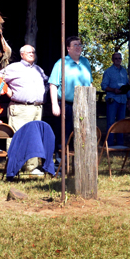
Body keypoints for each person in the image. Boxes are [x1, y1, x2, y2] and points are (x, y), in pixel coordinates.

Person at [0, 45, 48, 169]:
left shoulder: (38, 69)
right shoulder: (14, 67)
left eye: (33, 52)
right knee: (17, 137)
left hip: (37, 108)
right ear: (22, 54)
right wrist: (7, 90)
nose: (32, 53)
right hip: (21, 108)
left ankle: (31, 168)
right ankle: (14, 167)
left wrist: (44, 92)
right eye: (28, 52)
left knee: (35, 138)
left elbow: (48, 82)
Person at [49, 36, 93, 170]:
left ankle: (81, 164)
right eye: (75, 45)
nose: (78, 47)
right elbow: (53, 84)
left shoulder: (86, 62)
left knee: (83, 134)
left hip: (84, 104)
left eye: (80, 45)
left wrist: (91, 102)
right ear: (68, 48)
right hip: (67, 105)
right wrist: (55, 104)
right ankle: (61, 165)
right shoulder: (61, 63)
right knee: (65, 134)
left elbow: (89, 83)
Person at [101, 52, 129, 146]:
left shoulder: (124, 71)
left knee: (121, 122)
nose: (118, 60)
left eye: (119, 58)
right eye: (116, 58)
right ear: (113, 60)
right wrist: (114, 90)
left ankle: (120, 143)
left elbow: (127, 84)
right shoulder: (108, 71)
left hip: (123, 100)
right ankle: (110, 144)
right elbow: (103, 86)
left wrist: (128, 98)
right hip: (113, 99)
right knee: (111, 122)